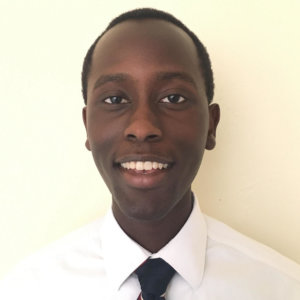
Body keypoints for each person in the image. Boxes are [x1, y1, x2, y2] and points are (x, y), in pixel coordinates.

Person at [1, 8, 300, 300]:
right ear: (87, 127)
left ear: (211, 126)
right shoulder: (24, 290)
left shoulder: (283, 288)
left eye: (173, 98)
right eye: (115, 99)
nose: (142, 127)